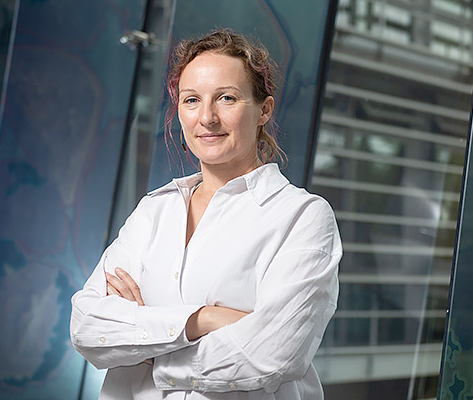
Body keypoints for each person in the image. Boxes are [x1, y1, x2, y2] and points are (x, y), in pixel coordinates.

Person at [70, 28, 342, 400]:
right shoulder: (154, 210)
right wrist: (205, 318)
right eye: (191, 100)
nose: (207, 118)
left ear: (264, 110)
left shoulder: (302, 217)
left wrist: (148, 351)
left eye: (227, 98)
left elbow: (272, 354)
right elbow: (86, 327)